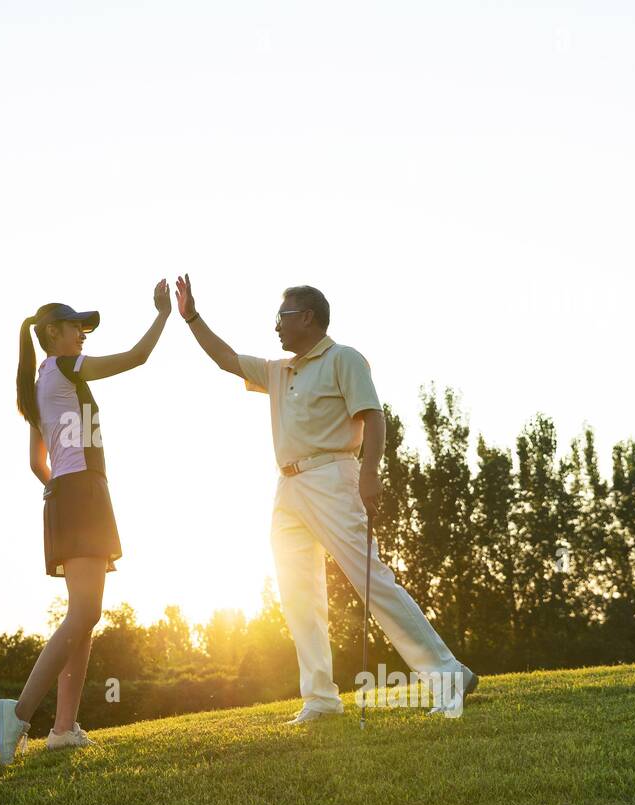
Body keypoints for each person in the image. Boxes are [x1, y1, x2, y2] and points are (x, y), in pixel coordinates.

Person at [174, 274, 478, 721]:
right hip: (288, 485)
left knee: (370, 579)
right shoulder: (279, 370)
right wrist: (192, 317)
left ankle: (448, 675)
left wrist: (369, 473)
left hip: (335, 476)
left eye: (282, 316)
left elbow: (374, 418)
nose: (275, 326)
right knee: (298, 594)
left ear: (308, 317)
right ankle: (320, 698)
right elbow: (227, 359)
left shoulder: (344, 359)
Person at [0, 281, 172, 764]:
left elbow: (37, 464)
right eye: (77, 326)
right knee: (83, 614)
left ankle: (63, 728)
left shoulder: (38, 386)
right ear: (52, 333)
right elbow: (136, 357)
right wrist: (163, 316)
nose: (83, 335)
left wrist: (63, 488)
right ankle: (20, 713)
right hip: (82, 494)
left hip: (68, 495)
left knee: (84, 615)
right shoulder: (65, 367)